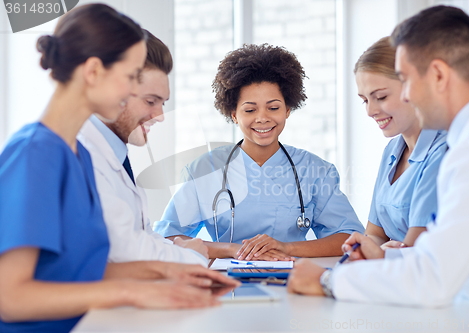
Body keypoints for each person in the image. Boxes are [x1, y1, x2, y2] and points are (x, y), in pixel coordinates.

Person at [0, 4, 238, 332]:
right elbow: (9, 298)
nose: (131, 92)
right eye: (129, 77)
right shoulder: (35, 153)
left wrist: (169, 272)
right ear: (94, 72)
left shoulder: (76, 155)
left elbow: (82, 271)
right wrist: (131, 290)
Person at [287, 5, 469, 316]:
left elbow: (433, 279)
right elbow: (440, 255)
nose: (407, 96)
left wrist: (329, 281)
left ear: (439, 75)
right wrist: (387, 259)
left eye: (405, 81)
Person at [154, 44, 365, 260]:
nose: (262, 118)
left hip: (296, 281)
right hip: (225, 284)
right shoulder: (203, 170)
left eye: (273, 108)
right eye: (250, 110)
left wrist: (286, 248)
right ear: (234, 114)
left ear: (288, 110)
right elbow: (168, 237)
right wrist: (232, 249)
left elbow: (349, 237)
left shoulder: (316, 170)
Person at [78, 30, 208, 266]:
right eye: (150, 101)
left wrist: (179, 247)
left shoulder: (117, 155)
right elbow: (124, 251)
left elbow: (141, 236)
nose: (160, 117)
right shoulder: (83, 154)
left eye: (162, 103)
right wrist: (191, 256)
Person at [354, 36, 447, 248]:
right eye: (365, 100)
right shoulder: (392, 151)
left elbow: (417, 249)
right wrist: (363, 249)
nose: (370, 111)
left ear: (412, 87)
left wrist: (383, 254)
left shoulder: (443, 151)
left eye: (381, 97)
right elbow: (375, 234)